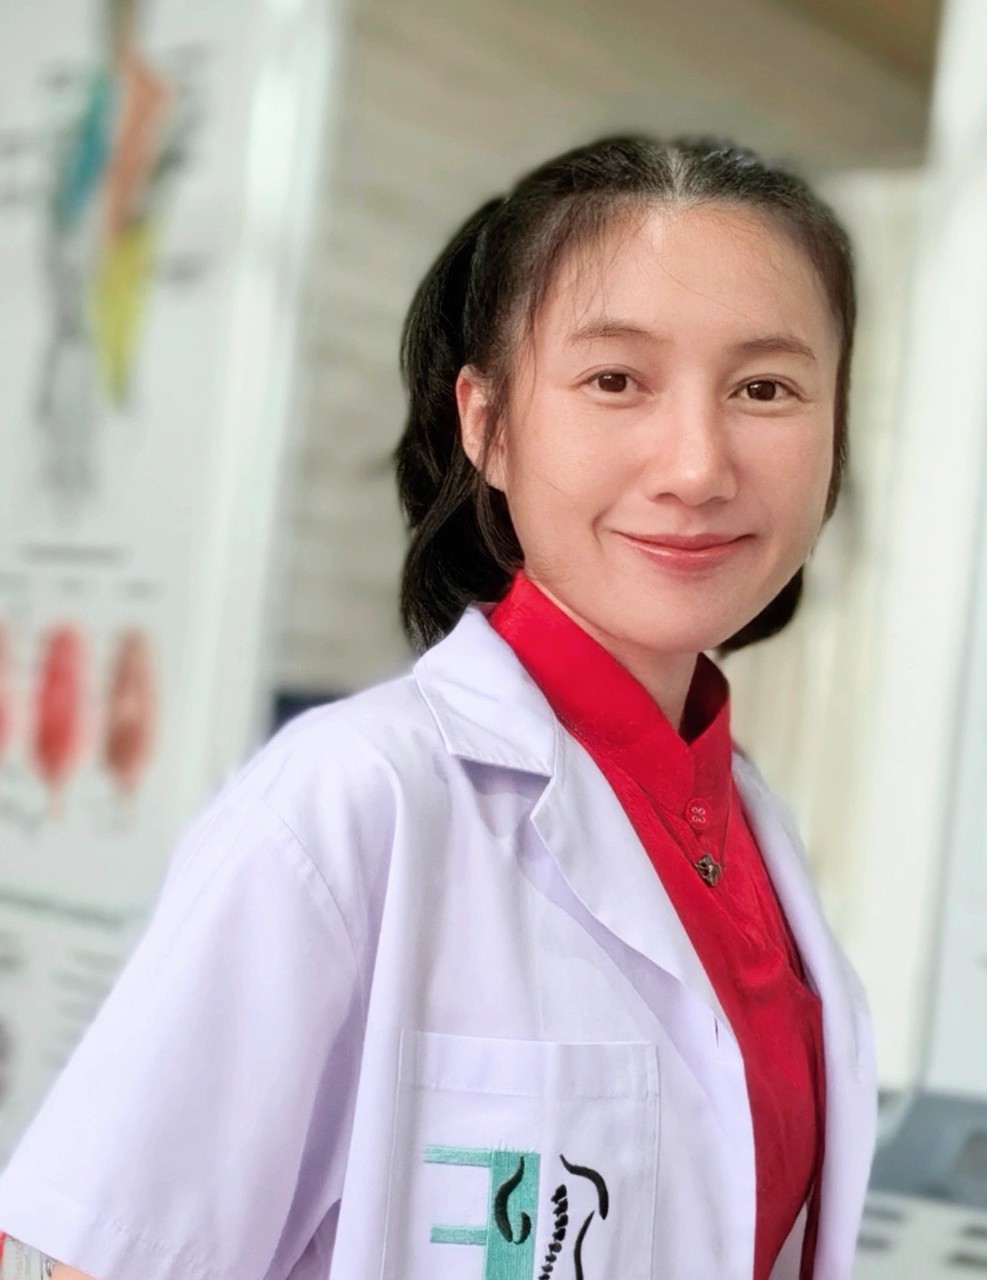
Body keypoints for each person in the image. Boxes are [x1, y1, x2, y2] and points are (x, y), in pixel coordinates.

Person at [0, 133, 877, 1280]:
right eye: (614, 380)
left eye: (764, 388)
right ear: (486, 423)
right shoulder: (348, 799)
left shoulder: (748, 827)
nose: (697, 466)